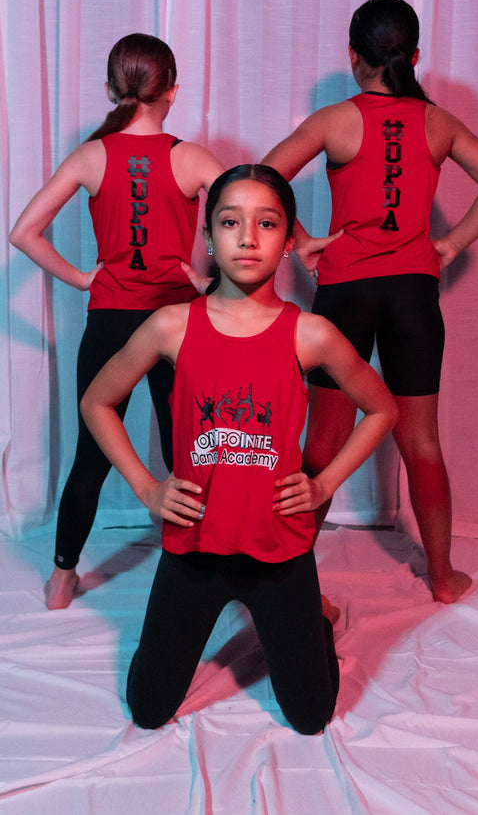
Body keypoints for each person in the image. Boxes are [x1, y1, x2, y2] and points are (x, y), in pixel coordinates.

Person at [80, 165, 397, 734]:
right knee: (149, 711)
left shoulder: (310, 333)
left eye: (266, 223)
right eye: (230, 222)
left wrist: (324, 484)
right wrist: (147, 488)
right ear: (208, 237)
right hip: (195, 545)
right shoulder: (171, 326)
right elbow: (97, 402)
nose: (247, 237)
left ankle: (314, 619)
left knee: (310, 718)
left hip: (278, 549)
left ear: (289, 239)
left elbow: (382, 408)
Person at [262, 0, 478, 605]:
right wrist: (449, 244)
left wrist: (301, 245)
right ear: (415, 56)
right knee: (421, 442)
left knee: (323, 444)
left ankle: (288, 582)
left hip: (346, 296)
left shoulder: (335, 120)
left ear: (354, 56)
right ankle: (442, 576)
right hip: (412, 298)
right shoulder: (437, 122)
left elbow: (261, 176)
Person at [9, 33, 223, 610]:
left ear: (111, 89)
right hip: (178, 324)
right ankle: (201, 572)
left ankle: (60, 580)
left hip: (110, 322)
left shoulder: (91, 154)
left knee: (93, 451)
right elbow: (252, 212)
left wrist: (84, 278)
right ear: (173, 92)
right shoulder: (193, 157)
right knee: (192, 450)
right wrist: (208, 283)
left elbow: (22, 232)